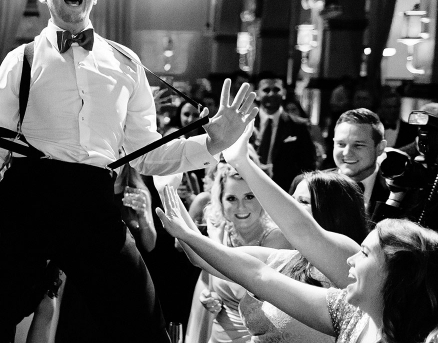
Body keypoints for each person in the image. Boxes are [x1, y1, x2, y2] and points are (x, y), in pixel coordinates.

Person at [0, 0, 258, 343]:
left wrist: (211, 145)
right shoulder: (20, 61)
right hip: (26, 202)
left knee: (144, 326)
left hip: (94, 204)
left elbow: (148, 155)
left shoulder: (127, 63)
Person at [157, 188, 438, 343]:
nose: (352, 259)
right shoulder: (348, 312)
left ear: (396, 273)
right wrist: (168, 191)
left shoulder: (342, 272)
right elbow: (255, 274)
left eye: (301, 201)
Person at [201, 162, 291, 343]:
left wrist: (215, 244)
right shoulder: (223, 234)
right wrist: (210, 298)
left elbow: (244, 289)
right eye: (231, 198)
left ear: (261, 198)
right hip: (218, 336)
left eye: (249, 196)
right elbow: (213, 286)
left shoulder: (277, 239)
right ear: (220, 201)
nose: (241, 206)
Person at [292, 108, 389, 222]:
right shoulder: (306, 184)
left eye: (358, 145)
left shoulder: (398, 192)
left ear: (380, 148)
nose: (346, 153)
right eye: (341, 144)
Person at [253, 72, 316, 193]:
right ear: (257, 94)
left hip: (285, 190)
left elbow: (308, 164)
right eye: (266, 90)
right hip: (250, 188)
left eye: (276, 89)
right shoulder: (246, 123)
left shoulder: (298, 126)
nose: (271, 94)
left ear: (284, 93)